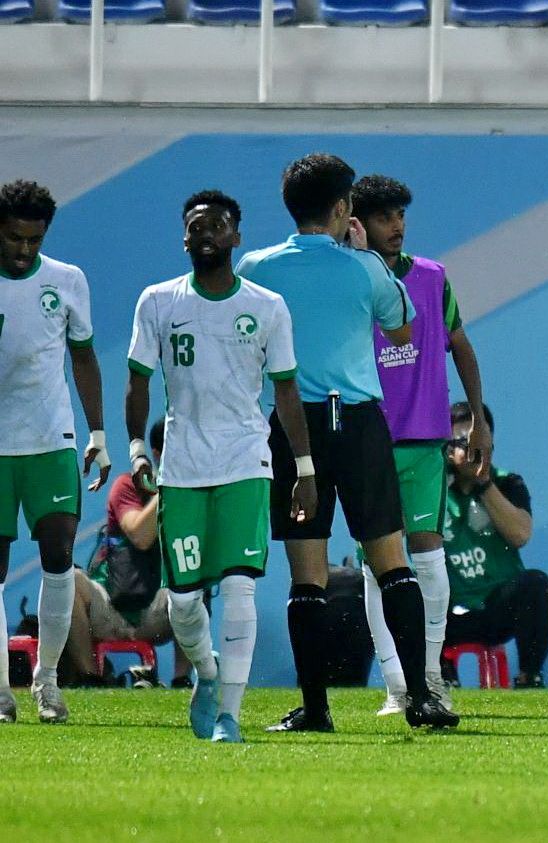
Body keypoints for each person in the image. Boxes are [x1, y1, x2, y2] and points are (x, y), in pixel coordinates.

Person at [237, 154, 457, 731]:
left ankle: (316, 710)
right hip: (357, 424)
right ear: (343, 208)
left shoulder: (256, 266)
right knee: (391, 563)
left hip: (295, 427)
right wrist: (364, 256)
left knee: (306, 574)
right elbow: (402, 327)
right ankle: (421, 699)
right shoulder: (364, 267)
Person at [125, 189, 319, 743]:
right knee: (184, 601)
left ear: (236, 236)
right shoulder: (158, 302)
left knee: (239, 587)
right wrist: (137, 447)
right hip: (182, 468)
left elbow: (286, 392)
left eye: (217, 225)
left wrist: (304, 469)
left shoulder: (267, 306)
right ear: (184, 239)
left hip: (245, 462)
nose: (205, 233)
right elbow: (138, 380)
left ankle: (229, 716)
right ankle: (206, 672)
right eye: (195, 226)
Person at [349, 175, 493, 716]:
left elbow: (461, 346)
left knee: (429, 558)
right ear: (357, 223)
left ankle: (429, 678)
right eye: (384, 218)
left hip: (425, 440)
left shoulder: (432, 277)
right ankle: (395, 686)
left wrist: (477, 419)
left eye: (401, 216)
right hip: (367, 441)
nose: (397, 227)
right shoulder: (348, 280)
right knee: (375, 566)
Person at [0, 179, 111, 725]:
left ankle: (47, 680)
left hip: (51, 441)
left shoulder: (67, 280)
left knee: (59, 556)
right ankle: (1, 692)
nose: (25, 250)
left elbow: (83, 358)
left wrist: (99, 434)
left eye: (35, 240)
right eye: (15, 238)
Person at [72, 418, 191, 689]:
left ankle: (181, 679)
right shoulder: (126, 485)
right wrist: (168, 487)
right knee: (69, 582)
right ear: (158, 454)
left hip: (159, 612)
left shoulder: (196, 495)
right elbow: (140, 536)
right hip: (110, 609)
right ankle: (91, 679)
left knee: (194, 577)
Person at [442, 402, 548, 688]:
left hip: (495, 609)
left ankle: (529, 678)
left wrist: (482, 483)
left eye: (475, 441)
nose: (469, 450)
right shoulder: (431, 487)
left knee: (536, 584)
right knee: (408, 592)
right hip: (445, 612)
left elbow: (520, 535)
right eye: (460, 441)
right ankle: (438, 681)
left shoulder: (508, 482)